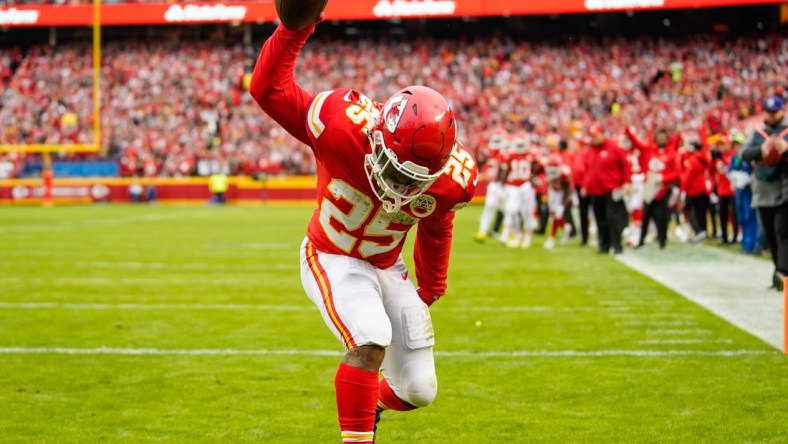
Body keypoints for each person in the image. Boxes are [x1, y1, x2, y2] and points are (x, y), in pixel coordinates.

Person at [249, 17, 478, 444]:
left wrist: (429, 291)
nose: (399, 186)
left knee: (419, 389)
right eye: (394, 169)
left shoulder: (452, 181)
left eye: (413, 180)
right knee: (371, 338)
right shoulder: (342, 126)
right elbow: (267, 91)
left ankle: (365, 403)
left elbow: (437, 226)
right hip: (332, 254)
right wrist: (293, 30)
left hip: (387, 267)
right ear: (378, 139)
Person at [740, 95, 788, 290]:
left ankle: (783, 273)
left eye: (774, 112)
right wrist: (762, 149)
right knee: (770, 232)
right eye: (768, 112)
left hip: (785, 188)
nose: (771, 115)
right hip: (763, 189)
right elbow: (743, 154)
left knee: (782, 231)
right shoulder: (758, 133)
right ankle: (778, 272)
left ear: (782, 111)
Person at [625, 127, 680, 249]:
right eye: (658, 138)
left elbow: (676, 173)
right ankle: (641, 240)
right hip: (649, 188)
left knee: (662, 216)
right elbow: (636, 143)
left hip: (663, 189)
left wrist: (662, 178)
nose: (660, 140)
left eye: (663, 138)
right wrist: (627, 130)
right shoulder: (649, 150)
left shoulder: (672, 153)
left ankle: (662, 240)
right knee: (646, 215)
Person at [581, 124, 632, 255]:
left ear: (602, 134)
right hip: (595, 191)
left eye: (596, 136)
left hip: (612, 189)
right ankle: (604, 245)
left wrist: (626, 182)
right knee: (600, 219)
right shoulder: (590, 151)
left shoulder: (614, 149)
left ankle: (617, 245)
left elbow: (625, 166)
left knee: (613, 218)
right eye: (592, 137)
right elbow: (588, 171)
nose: (594, 139)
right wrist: (585, 186)